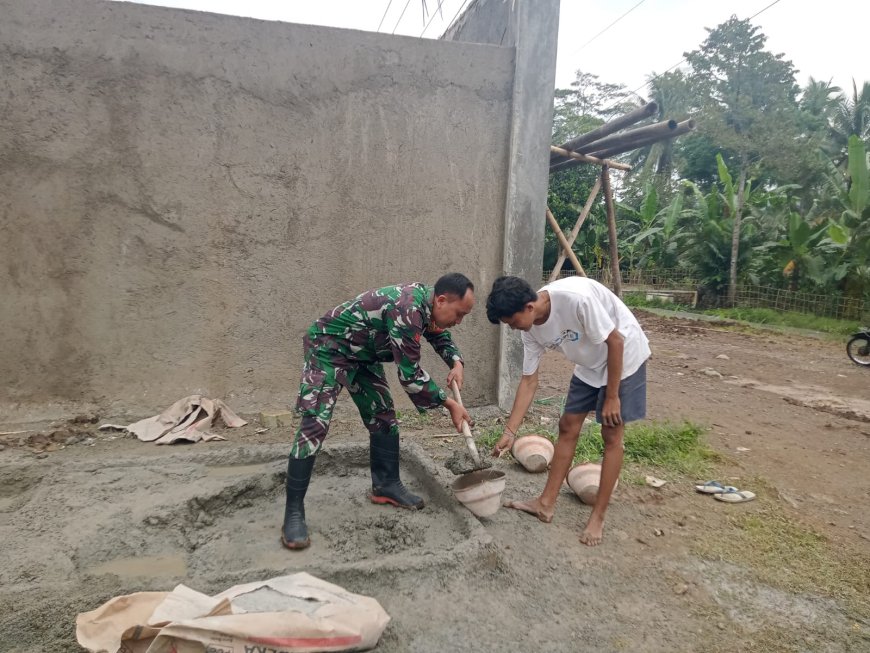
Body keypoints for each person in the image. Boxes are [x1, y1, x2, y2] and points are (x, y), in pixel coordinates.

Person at [282, 273, 475, 550]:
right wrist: (450, 404)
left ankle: (386, 485)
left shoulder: (429, 303)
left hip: (361, 354)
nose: (459, 321)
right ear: (442, 300)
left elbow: (437, 330)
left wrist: (456, 362)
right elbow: (410, 376)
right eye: (459, 314)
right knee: (316, 425)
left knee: (382, 414)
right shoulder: (407, 309)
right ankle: (293, 514)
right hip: (328, 349)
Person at [485, 275, 650, 546]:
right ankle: (545, 503)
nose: (513, 329)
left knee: (611, 435)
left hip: (623, 357)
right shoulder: (530, 330)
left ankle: (598, 517)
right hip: (589, 365)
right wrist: (510, 431)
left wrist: (612, 396)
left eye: (512, 322)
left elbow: (616, 341)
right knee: (567, 425)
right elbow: (529, 381)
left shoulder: (576, 300)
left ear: (529, 307)